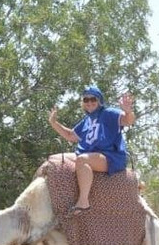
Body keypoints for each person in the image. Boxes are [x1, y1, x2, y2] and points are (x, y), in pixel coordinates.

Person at [48, 85, 134, 215]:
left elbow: (127, 121)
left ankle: (83, 202)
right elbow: (70, 136)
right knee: (55, 159)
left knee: (82, 160)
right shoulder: (86, 121)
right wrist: (54, 123)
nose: (89, 102)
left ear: (99, 101)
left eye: (93, 99)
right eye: (86, 100)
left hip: (109, 157)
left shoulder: (109, 113)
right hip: (90, 154)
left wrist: (128, 111)